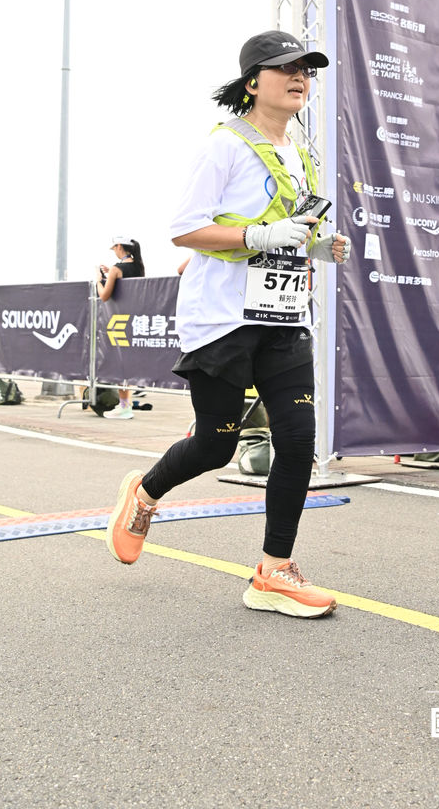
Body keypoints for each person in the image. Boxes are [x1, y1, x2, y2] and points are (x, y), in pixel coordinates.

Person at [105, 30, 351, 618]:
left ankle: (273, 572)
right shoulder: (224, 145)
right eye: (286, 68)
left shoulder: (302, 154)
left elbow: (293, 227)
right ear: (252, 83)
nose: (299, 77)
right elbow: (185, 230)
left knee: (298, 439)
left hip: (283, 315)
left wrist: (317, 246)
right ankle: (144, 493)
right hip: (222, 319)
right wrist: (260, 236)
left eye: (306, 69)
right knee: (216, 445)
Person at [96, 237, 145, 419]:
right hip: (134, 320)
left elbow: (104, 295)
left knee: (120, 365)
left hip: (119, 321)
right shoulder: (138, 267)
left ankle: (124, 407)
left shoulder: (117, 268)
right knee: (127, 365)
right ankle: (125, 405)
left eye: (114, 248)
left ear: (119, 247)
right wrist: (111, 273)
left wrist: (99, 281)